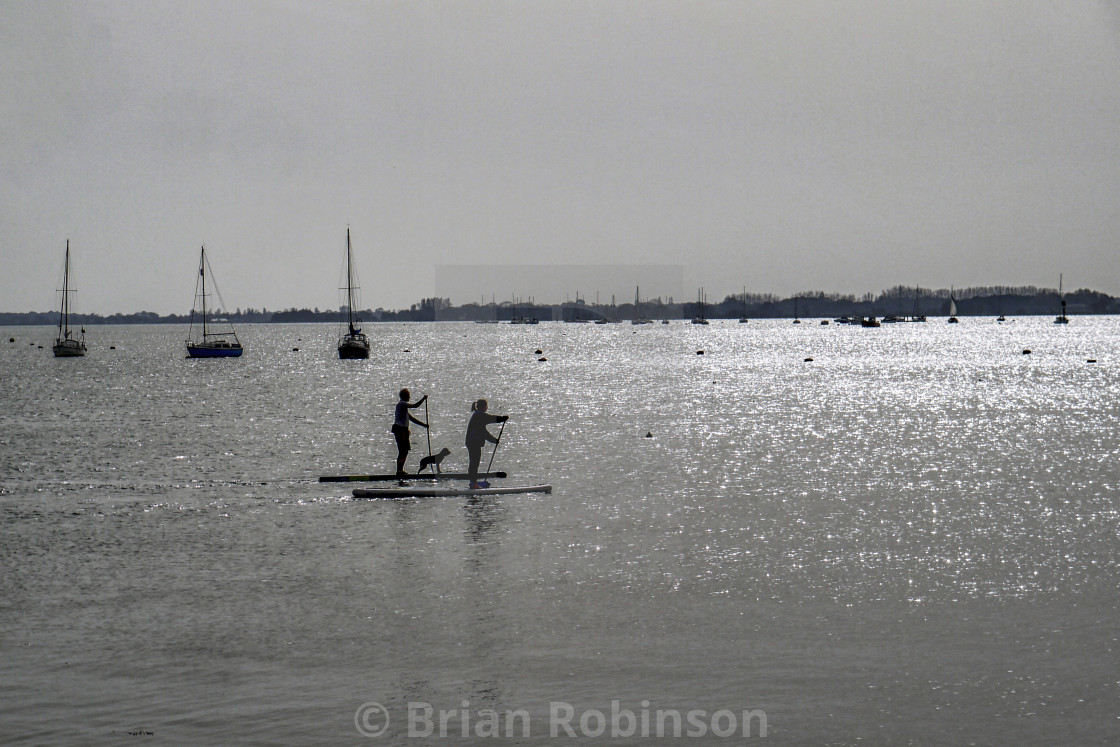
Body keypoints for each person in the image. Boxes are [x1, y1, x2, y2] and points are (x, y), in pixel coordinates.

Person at [465, 399, 508, 489]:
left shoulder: (478, 415)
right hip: (473, 442)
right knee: (474, 463)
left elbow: (484, 433)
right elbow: (491, 418)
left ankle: (473, 482)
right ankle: (473, 483)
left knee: (474, 462)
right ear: (484, 407)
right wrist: (502, 419)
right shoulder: (479, 415)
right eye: (486, 406)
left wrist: (494, 440)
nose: (487, 408)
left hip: (472, 442)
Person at [392, 388, 428, 475]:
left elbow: (412, 419)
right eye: (408, 396)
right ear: (404, 396)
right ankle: (399, 471)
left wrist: (424, 425)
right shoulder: (402, 404)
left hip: (403, 431)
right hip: (400, 430)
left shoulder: (404, 408)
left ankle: (400, 470)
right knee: (402, 451)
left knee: (405, 451)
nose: (410, 397)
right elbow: (415, 406)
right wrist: (423, 399)